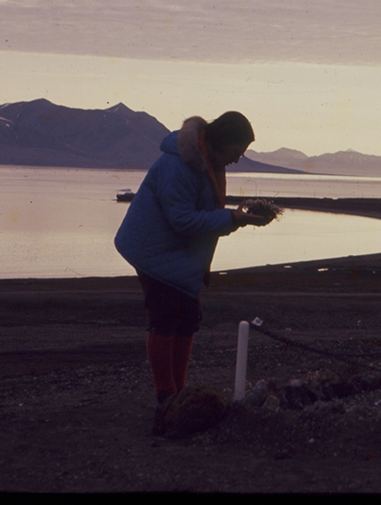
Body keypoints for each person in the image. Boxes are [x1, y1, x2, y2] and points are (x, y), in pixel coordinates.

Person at [114, 111, 268, 428]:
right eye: (237, 151)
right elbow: (182, 220)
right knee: (165, 320)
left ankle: (178, 391)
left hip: (176, 254)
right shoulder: (179, 165)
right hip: (154, 252)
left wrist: (234, 219)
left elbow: (199, 213)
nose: (238, 159)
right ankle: (166, 397)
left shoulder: (208, 161)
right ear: (221, 141)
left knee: (186, 320)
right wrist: (233, 219)